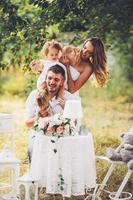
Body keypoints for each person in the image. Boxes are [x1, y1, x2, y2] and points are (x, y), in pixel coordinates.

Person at [25, 64, 79, 162]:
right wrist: (38, 117)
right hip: (39, 138)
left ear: (62, 82)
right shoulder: (34, 95)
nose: (52, 82)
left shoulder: (69, 98)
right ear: (45, 79)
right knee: (32, 146)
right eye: (49, 78)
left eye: (56, 79)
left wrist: (66, 108)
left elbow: (75, 125)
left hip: (62, 140)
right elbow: (27, 123)